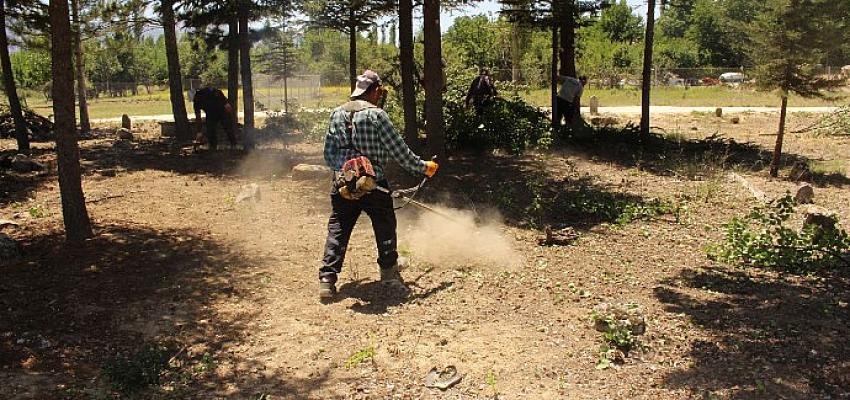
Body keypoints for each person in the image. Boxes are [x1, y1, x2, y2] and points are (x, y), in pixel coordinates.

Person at [319, 70, 439, 302]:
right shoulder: (376, 116)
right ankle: (388, 274)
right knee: (385, 225)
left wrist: (348, 174)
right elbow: (400, 152)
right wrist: (425, 167)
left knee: (338, 229)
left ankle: (327, 279)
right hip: (375, 186)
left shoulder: (336, 114)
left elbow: (328, 155)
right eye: (379, 92)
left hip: (343, 185)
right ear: (373, 91)